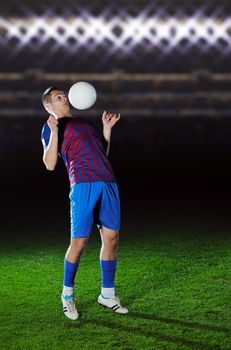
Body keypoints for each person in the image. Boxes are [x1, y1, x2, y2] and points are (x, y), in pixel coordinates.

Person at [41, 87, 128, 320]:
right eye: (59, 97)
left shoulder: (86, 123)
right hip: (82, 186)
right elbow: (49, 164)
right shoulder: (50, 127)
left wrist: (107, 130)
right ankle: (67, 295)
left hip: (108, 182)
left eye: (64, 95)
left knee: (111, 239)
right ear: (48, 105)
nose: (65, 98)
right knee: (78, 243)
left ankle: (107, 295)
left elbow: (102, 153)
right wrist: (53, 130)